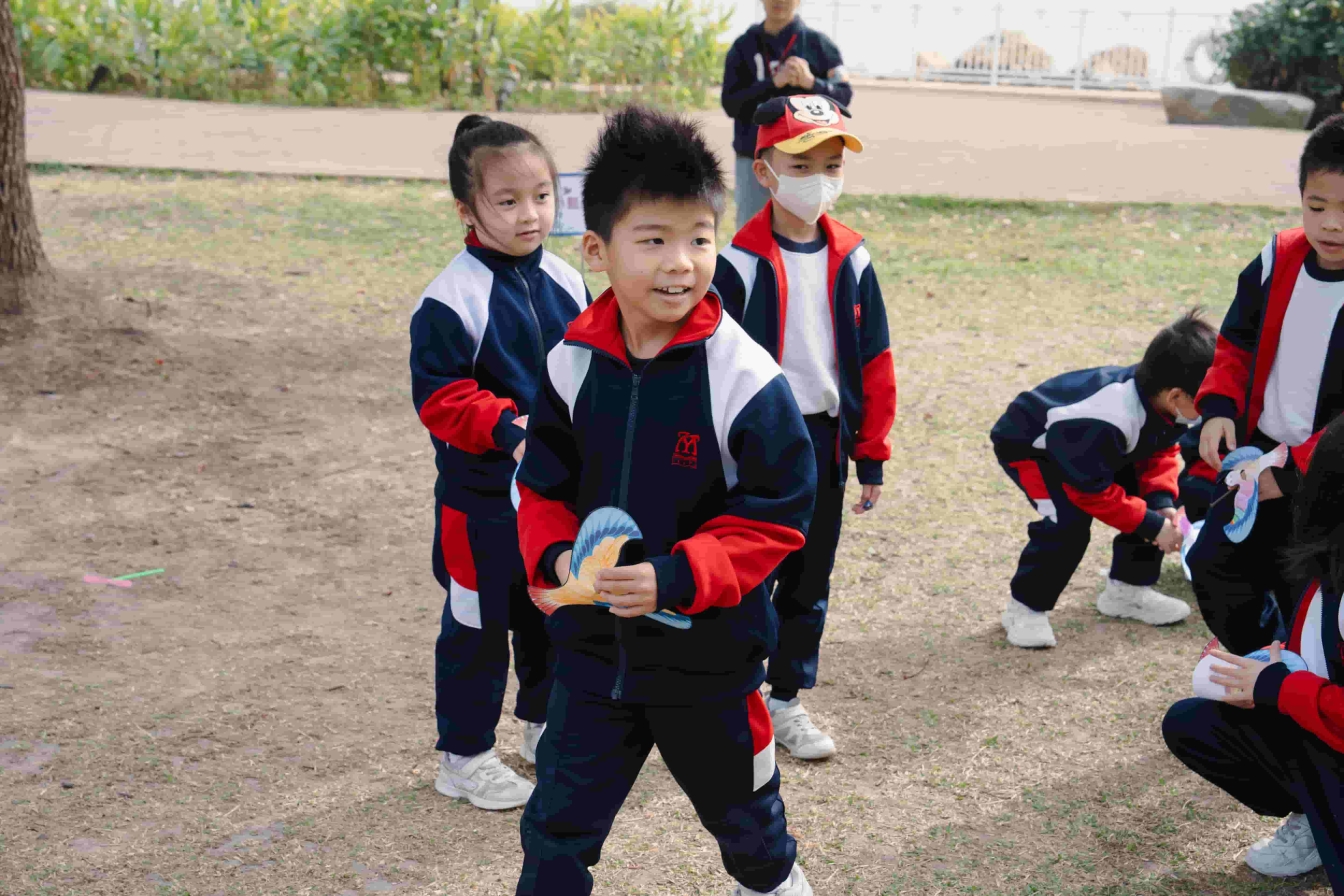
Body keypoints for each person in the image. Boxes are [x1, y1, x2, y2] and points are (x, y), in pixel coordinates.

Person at [513, 105, 819, 896]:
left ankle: (774, 883)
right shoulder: (571, 364)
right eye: (652, 240)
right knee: (554, 835)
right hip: (590, 664)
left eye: (699, 239)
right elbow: (541, 487)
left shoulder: (744, 377)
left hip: (710, 668)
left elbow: (777, 512)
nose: (680, 263)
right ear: (597, 249)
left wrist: (676, 577)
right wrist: (558, 558)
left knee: (750, 827)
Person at [409, 114, 589, 811]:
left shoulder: (568, 281)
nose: (530, 215)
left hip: (551, 498)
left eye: (542, 196)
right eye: (508, 201)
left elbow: (589, 370)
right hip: (479, 503)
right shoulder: (448, 298)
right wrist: (511, 431)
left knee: (551, 613)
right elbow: (442, 398)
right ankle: (464, 757)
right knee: (477, 629)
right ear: (467, 209)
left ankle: (543, 728)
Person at [713, 94, 895, 760]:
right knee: (749, 573)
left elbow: (874, 359)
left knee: (810, 578)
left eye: (831, 165)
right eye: (801, 165)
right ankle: (734, 696)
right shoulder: (737, 261)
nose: (818, 179)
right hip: (758, 443)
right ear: (764, 172)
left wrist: (871, 452)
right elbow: (711, 362)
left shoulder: (853, 257)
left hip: (825, 439)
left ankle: (785, 698)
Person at [1163, 414, 1344, 891]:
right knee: (1194, 722)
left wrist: (1282, 688)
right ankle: (1315, 817)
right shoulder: (1326, 565)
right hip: (1327, 730)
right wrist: (1273, 670)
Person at [1189, 112, 1344, 655]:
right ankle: (1256, 659)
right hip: (1258, 460)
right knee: (1214, 564)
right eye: (1317, 206)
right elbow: (1237, 341)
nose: (1331, 225)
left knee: (1309, 592)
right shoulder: (1278, 258)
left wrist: (1297, 472)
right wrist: (1219, 407)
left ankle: (1295, 674)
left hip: (1328, 478)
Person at [989, 312, 1217, 648]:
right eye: (1206, 401)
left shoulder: (1163, 404)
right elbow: (1090, 493)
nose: (1210, 411)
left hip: (1091, 450)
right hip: (1035, 449)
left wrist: (1160, 503)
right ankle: (1024, 609)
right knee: (1067, 523)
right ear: (1175, 396)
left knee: (1152, 506)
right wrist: (1153, 526)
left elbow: (1161, 453)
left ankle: (1127, 591)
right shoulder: (1106, 416)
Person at [721, 0, 853, 230]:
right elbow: (730, 104)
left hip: (807, 160)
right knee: (752, 230)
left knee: (803, 232)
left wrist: (811, 83)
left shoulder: (819, 45)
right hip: (754, 157)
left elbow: (844, 96)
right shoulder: (744, 46)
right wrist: (772, 83)